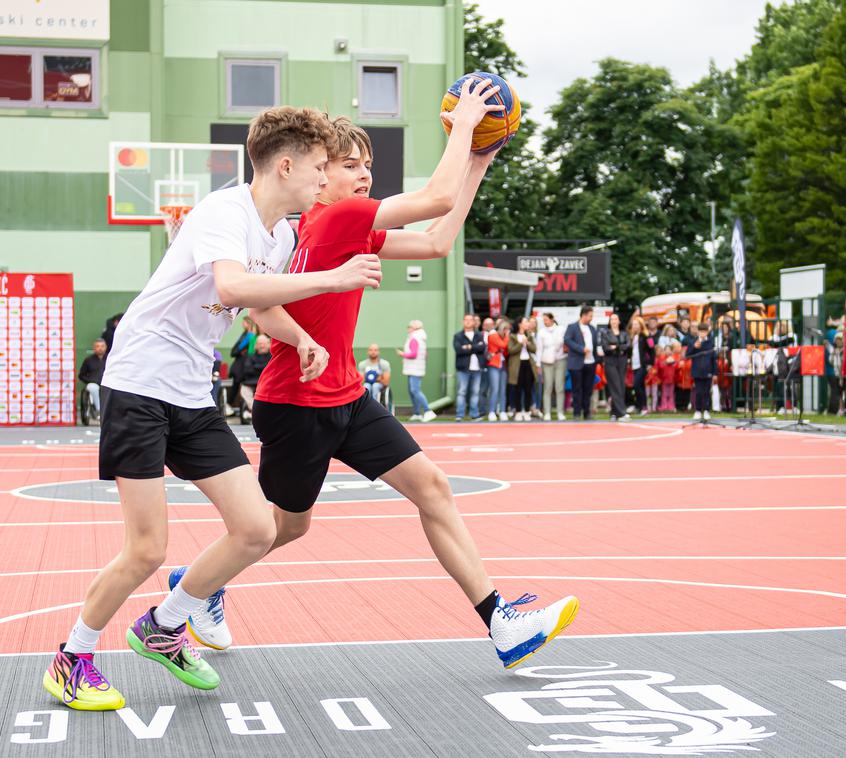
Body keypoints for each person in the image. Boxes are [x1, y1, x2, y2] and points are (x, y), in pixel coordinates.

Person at [189, 103, 578, 669]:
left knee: (433, 488)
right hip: (296, 403)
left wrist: (478, 162)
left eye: (366, 164)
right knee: (285, 528)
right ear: (319, 176)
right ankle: (199, 584)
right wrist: (465, 125)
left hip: (346, 394)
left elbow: (435, 243)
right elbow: (434, 203)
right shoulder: (337, 219)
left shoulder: (340, 225)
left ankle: (502, 622)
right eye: (349, 165)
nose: (362, 175)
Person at [43, 106, 384, 711]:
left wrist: (301, 337)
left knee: (256, 528)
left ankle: (165, 625)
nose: (324, 178)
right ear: (286, 164)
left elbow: (257, 305)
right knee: (147, 548)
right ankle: (73, 658)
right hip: (141, 385)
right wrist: (333, 278)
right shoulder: (224, 212)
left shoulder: (279, 234)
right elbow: (232, 288)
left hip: (190, 394)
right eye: (319, 166)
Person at [564, 305, 599, 420]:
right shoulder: (572, 327)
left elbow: (595, 344)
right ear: (583, 315)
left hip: (590, 362)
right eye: (590, 316)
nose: (591, 318)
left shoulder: (592, 328)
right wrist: (581, 349)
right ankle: (577, 413)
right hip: (576, 362)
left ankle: (587, 412)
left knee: (588, 389)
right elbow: (567, 340)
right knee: (577, 389)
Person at [398, 319, 435, 422]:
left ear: (415, 328)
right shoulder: (419, 338)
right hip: (414, 367)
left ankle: (428, 411)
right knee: (412, 391)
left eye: (410, 327)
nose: (408, 329)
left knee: (415, 390)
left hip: (415, 368)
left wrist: (402, 354)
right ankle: (417, 413)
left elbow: (413, 354)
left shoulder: (415, 338)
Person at [453, 313, 486, 421]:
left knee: (475, 392)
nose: (468, 322)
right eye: (466, 320)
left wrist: (469, 347)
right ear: (463, 322)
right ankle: (460, 415)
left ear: (474, 322)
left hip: (477, 368)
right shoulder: (458, 336)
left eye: (470, 320)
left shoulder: (479, 335)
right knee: (462, 391)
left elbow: (482, 348)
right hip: (463, 368)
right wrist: (474, 347)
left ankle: (474, 414)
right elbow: (459, 349)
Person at [599, 312, 631, 421]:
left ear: (619, 321)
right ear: (609, 321)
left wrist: (616, 347)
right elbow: (605, 348)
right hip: (610, 361)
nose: (613, 321)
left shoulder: (624, 333)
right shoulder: (605, 333)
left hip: (622, 361)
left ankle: (614, 413)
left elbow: (628, 346)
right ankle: (622, 413)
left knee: (621, 386)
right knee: (615, 385)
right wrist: (618, 347)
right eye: (611, 319)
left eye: (615, 319)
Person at [536, 312, 567, 420]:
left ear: (552, 319)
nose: (545, 322)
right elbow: (539, 349)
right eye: (543, 320)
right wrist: (538, 364)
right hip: (546, 361)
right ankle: (547, 412)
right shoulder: (541, 332)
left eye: (546, 320)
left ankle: (560, 412)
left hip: (560, 360)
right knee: (547, 387)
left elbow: (564, 343)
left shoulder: (561, 329)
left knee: (560, 387)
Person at [508, 317, 538, 421]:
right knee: (517, 388)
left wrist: (527, 343)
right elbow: (510, 350)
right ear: (520, 324)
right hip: (517, 365)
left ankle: (527, 411)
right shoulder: (512, 336)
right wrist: (521, 344)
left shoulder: (529, 335)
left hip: (528, 364)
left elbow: (534, 349)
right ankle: (518, 411)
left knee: (528, 388)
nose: (527, 324)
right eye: (525, 322)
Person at [239, 334, 273, 421]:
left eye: (263, 343)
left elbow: (273, 369)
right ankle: (254, 409)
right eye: (259, 344)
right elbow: (247, 370)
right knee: (244, 389)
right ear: (256, 345)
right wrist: (264, 367)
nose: (262, 346)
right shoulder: (250, 357)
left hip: (268, 382)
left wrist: (256, 367)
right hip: (252, 382)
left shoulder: (273, 356)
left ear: (269, 345)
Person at [688, 322, 716, 420]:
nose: (703, 334)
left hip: (708, 370)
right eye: (701, 331)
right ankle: (698, 410)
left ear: (707, 332)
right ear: (698, 331)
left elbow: (713, 358)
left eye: (705, 331)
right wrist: (694, 347)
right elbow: (688, 354)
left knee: (707, 392)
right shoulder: (693, 341)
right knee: (699, 392)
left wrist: (714, 373)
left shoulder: (711, 342)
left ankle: (707, 411)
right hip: (697, 370)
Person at [628, 317, 653, 416]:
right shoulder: (632, 337)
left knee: (636, 385)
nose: (635, 326)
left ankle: (643, 407)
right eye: (633, 324)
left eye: (637, 324)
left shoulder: (647, 336)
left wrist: (650, 363)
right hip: (634, 364)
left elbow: (652, 350)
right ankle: (640, 407)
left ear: (641, 325)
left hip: (643, 365)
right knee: (640, 386)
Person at [486, 319, 510, 421]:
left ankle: (502, 411)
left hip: (503, 365)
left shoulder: (503, 337)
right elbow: (504, 345)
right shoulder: (493, 335)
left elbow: (506, 350)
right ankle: (492, 411)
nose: (507, 331)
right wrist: (507, 337)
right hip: (494, 365)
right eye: (506, 329)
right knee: (494, 389)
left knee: (502, 390)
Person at [78, 338, 107, 417]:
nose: (100, 348)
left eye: (102, 346)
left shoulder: (110, 359)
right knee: (92, 387)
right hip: (94, 384)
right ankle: (99, 410)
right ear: (94, 348)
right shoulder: (88, 360)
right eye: (97, 346)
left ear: (106, 347)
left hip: (107, 384)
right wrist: (90, 381)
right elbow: (81, 375)